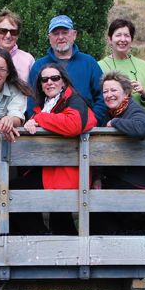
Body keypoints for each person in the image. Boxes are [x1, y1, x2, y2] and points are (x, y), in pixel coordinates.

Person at [19, 62, 97, 235]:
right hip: (49, 169)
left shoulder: (75, 100)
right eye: (44, 79)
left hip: (68, 172)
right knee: (19, 192)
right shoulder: (43, 106)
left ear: (63, 81)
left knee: (18, 194)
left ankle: (41, 238)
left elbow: (74, 124)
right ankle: (48, 241)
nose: (50, 82)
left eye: (55, 78)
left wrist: (40, 118)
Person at [94, 72, 145, 234]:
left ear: (126, 93)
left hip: (138, 180)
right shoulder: (108, 113)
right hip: (117, 177)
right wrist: (98, 178)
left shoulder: (134, 110)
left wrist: (116, 122)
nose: (109, 95)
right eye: (105, 92)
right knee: (96, 207)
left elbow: (142, 127)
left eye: (113, 90)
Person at [27, 14, 105, 121]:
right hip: (47, 131)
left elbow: (102, 96)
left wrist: (93, 120)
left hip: (85, 132)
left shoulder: (89, 63)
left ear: (74, 35)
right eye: (56, 33)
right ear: (49, 38)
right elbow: (32, 100)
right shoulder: (39, 66)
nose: (60, 37)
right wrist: (37, 123)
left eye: (65, 32)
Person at [97, 18, 145, 115]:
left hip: (142, 125)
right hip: (109, 125)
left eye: (127, 35)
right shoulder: (99, 66)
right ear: (110, 39)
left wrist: (144, 93)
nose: (122, 39)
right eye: (118, 35)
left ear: (132, 39)